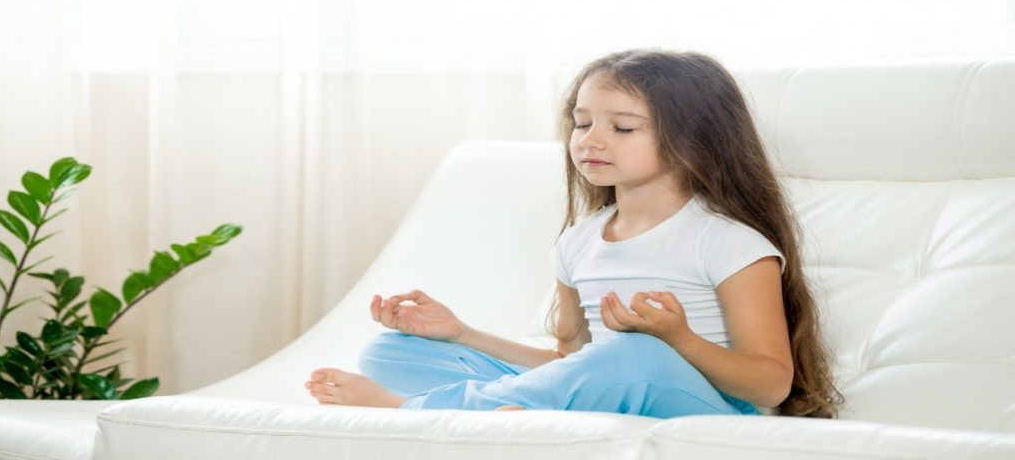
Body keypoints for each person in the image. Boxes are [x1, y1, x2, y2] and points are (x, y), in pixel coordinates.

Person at [304, 49, 842, 418]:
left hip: (714, 407)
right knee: (388, 355)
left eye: (623, 127)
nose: (591, 140)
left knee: (635, 357)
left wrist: (679, 340)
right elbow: (571, 365)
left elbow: (770, 383)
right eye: (583, 123)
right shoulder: (579, 242)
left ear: (693, 140)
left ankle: (414, 413)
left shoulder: (729, 243)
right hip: (605, 382)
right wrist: (461, 334)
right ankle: (507, 412)